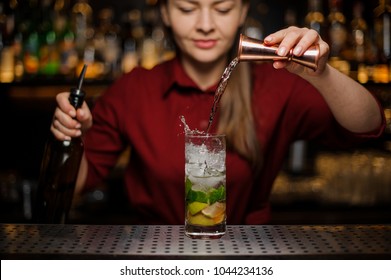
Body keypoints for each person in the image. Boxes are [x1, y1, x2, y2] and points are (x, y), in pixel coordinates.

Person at [51, 0, 384, 224]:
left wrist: (321, 73)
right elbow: (76, 185)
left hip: (248, 262)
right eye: (187, 8)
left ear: (242, 12)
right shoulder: (133, 89)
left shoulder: (277, 83)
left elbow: (368, 125)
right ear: (165, 13)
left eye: (222, 8)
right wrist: (72, 137)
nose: (206, 25)